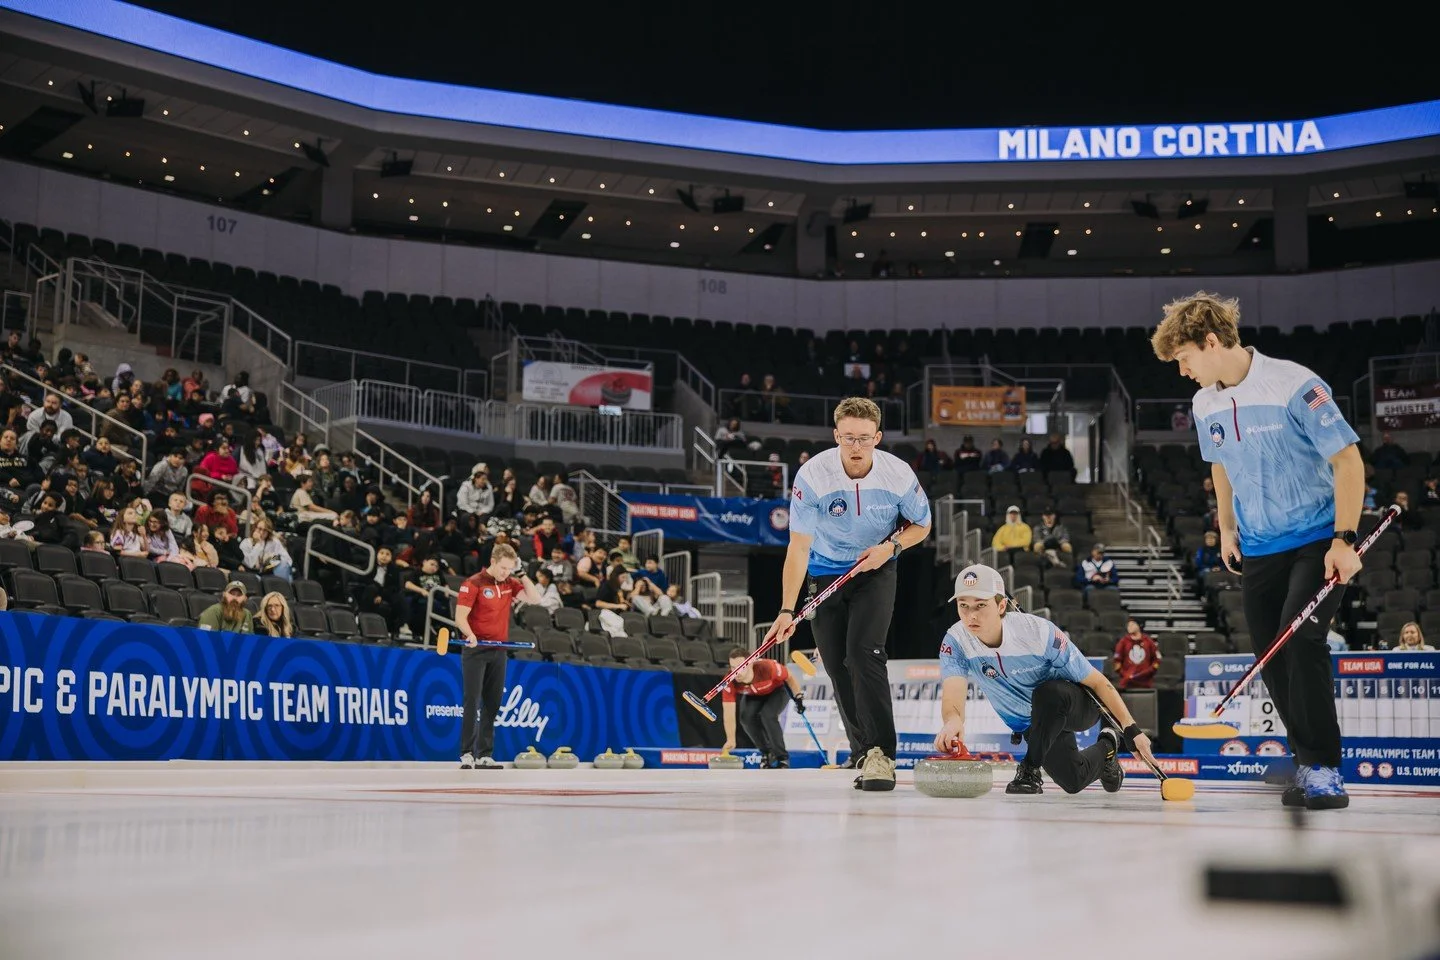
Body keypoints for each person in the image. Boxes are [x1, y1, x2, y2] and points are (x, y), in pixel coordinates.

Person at [1152, 290, 1363, 810]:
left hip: (1317, 538)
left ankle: (1324, 769)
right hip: (1261, 546)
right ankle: (1306, 760)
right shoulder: (1205, 402)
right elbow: (1220, 466)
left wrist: (1345, 539)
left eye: (1184, 359)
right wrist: (1226, 529)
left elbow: (1349, 461)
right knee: (1270, 658)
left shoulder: (1295, 383)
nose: (1182, 372)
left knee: (1300, 640)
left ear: (1211, 341)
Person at [766, 397, 932, 791]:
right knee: (838, 665)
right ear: (836, 435)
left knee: (864, 653)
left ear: (877, 437)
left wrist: (889, 549)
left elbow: (922, 526)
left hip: (875, 567)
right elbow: (798, 548)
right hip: (824, 573)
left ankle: (881, 754)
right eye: (848, 439)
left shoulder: (899, 475)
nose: (856, 447)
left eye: (864, 439)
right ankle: (863, 750)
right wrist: (787, 609)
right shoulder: (812, 476)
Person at [935, 564, 1157, 795]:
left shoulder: (1038, 633)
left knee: (1047, 692)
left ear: (1001, 606)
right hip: (1033, 721)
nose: (971, 615)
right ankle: (1108, 748)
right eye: (963, 606)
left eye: (981, 605)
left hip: (1073, 703)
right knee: (1073, 780)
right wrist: (952, 721)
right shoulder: (956, 641)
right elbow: (953, 693)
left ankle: (1029, 770)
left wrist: (1132, 730)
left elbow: (1099, 682)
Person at [453, 543, 542, 769]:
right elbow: (460, 618)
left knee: (493, 703)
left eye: (510, 569)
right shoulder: (473, 583)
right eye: (503, 568)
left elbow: (535, 599)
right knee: (472, 700)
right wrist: (470, 634)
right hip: (475, 648)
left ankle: (485, 754)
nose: (505, 573)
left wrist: (522, 574)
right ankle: (466, 753)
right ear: (492, 562)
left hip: (499, 650)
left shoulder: (510, 583)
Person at [721, 646, 804, 769]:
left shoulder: (768, 668)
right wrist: (731, 739)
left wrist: (798, 698)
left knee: (768, 715)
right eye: (732, 667)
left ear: (750, 664)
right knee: (745, 718)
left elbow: (790, 677)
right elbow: (728, 713)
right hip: (754, 694)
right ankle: (767, 753)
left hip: (778, 690)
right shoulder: (729, 680)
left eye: (739, 667)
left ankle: (782, 758)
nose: (735, 672)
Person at [1112, 619, 1161, 690]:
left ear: (1139, 626)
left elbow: (1157, 660)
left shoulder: (1148, 641)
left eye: (1132, 624)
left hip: (1145, 682)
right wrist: (1126, 675)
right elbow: (1117, 662)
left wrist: (1149, 672)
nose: (1129, 627)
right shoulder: (1123, 642)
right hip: (1127, 682)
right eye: (1128, 625)